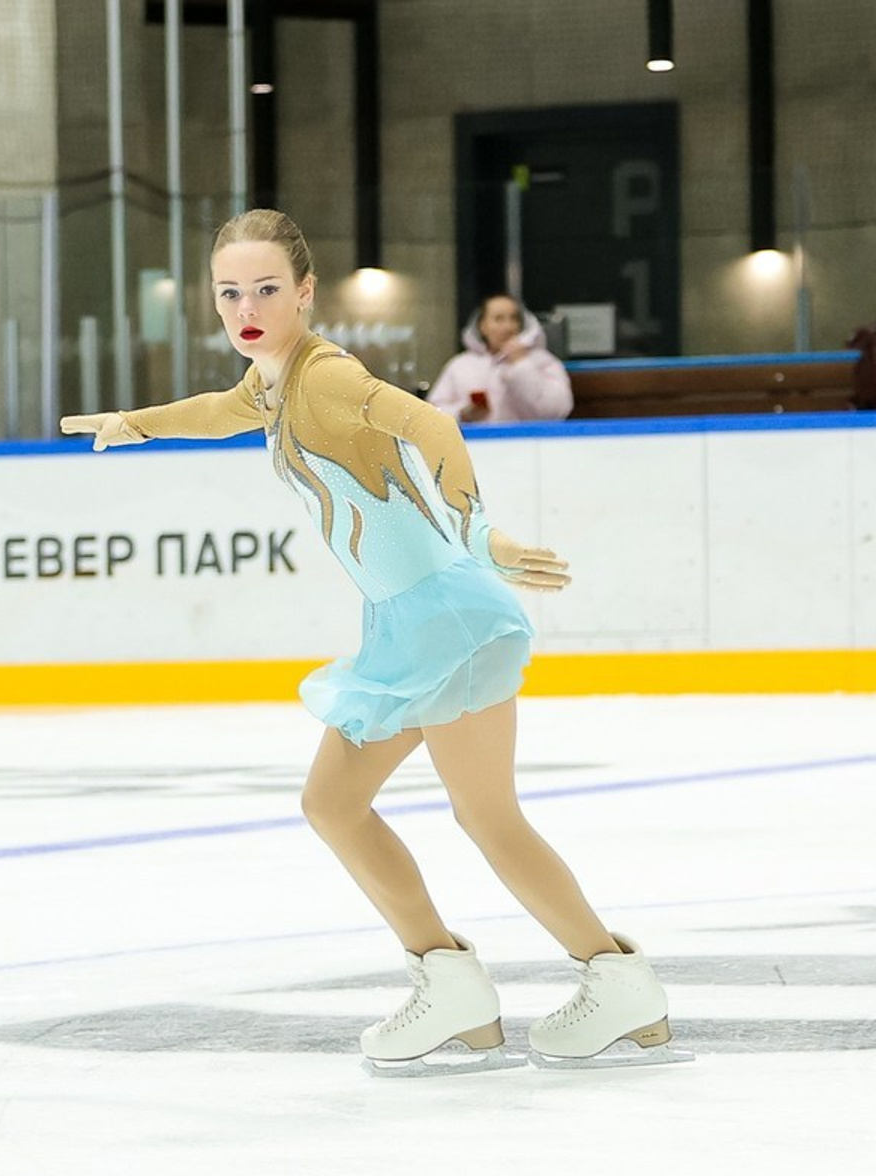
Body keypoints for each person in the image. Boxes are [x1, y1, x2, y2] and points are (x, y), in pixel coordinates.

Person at [61, 210, 687, 1075]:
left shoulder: (325, 377)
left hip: (448, 618)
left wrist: (484, 538)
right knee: (344, 805)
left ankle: (607, 987)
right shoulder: (275, 381)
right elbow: (219, 410)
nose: (246, 307)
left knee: (481, 818)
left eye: (267, 290)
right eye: (229, 292)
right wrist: (135, 422)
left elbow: (433, 427)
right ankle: (462, 985)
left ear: (306, 292)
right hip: (411, 625)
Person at [427, 294, 573, 425]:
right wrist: (462, 413)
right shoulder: (460, 365)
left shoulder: (542, 361)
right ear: (482, 326)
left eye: (514, 319)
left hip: (530, 446)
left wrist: (521, 365)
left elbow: (558, 411)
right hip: (474, 448)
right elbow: (431, 413)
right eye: (499, 319)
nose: (508, 327)